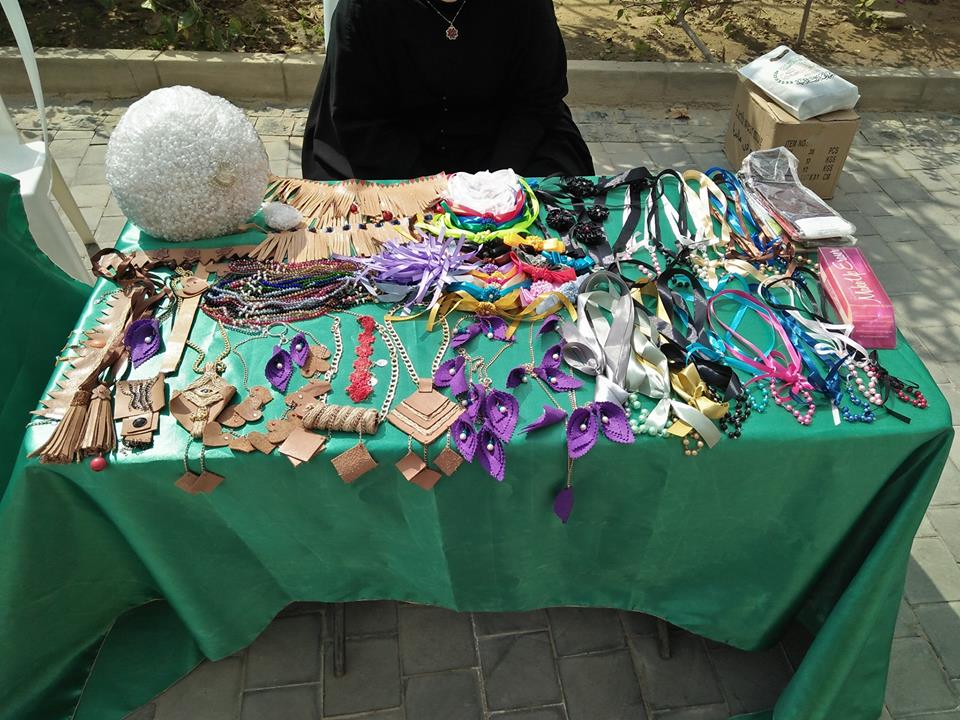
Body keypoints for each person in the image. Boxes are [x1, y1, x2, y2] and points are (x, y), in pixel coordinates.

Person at [301, 0, 594, 181]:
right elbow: (357, 114)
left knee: (554, 203)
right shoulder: (363, 7)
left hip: (507, 139)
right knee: (355, 219)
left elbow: (539, 98)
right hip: (391, 149)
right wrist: (431, 186)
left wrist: (498, 178)